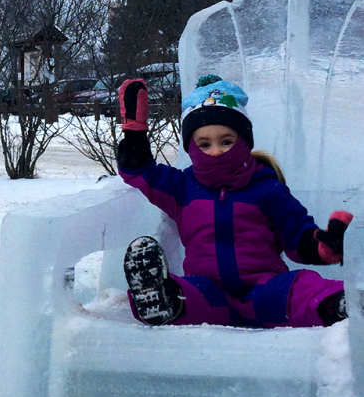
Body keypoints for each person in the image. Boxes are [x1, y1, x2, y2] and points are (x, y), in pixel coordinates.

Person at [117, 74, 352, 328]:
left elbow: (296, 234)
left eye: (226, 141)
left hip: (264, 289)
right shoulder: (182, 188)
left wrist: (322, 247)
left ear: (244, 142)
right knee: (191, 294)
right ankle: (162, 298)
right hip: (210, 293)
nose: (216, 151)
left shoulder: (267, 189)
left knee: (301, 288)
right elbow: (140, 171)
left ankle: (341, 303)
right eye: (204, 144)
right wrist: (134, 132)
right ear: (191, 148)